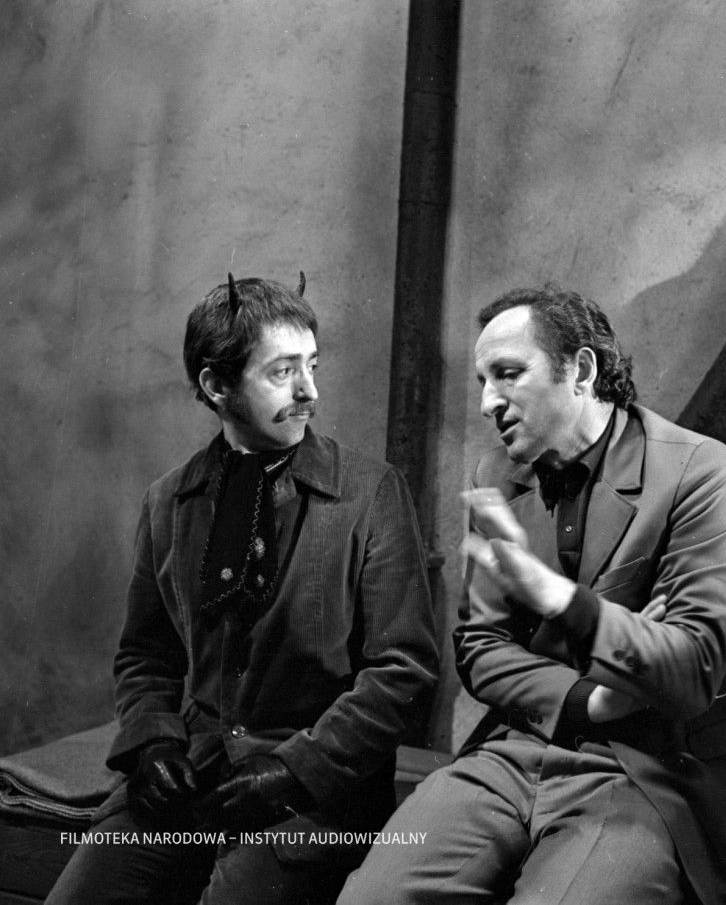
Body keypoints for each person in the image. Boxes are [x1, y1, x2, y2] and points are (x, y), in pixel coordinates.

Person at [338, 285, 726, 905]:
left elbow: (689, 667)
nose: (488, 402)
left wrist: (558, 599)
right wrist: (591, 700)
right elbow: (481, 648)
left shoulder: (699, 469)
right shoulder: (495, 476)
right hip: (518, 749)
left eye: (508, 374)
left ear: (582, 370)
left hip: (652, 770)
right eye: (483, 381)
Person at [47, 273, 439, 905]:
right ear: (217, 386)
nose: (309, 391)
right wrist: (152, 743)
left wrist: (292, 770)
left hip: (316, 791)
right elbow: (147, 656)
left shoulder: (371, 492)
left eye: (312, 365)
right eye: (283, 372)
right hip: (195, 771)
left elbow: (403, 670)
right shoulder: (169, 502)